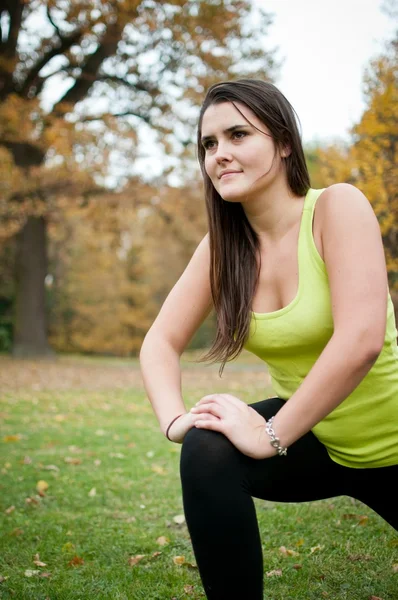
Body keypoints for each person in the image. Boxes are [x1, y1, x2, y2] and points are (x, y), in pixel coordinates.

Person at [139, 79, 398, 600]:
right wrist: (174, 422)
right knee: (206, 447)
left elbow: (362, 339)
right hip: (320, 442)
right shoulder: (223, 248)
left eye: (237, 135)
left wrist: (269, 434)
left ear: (283, 142)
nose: (220, 155)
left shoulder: (336, 208)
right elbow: (159, 343)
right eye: (209, 144)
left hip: (390, 441)